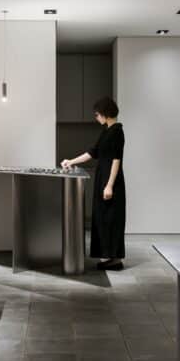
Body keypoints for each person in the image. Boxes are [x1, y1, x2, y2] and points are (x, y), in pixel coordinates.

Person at [61, 97, 126, 271]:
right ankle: (110, 257)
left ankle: (116, 260)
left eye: (97, 114)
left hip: (111, 180)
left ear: (105, 113)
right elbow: (92, 152)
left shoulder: (117, 132)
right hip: (102, 178)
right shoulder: (106, 131)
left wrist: (110, 185)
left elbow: (116, 160)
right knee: (103, 218)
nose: (96, 117)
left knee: (112, 219)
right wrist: (71, 161)